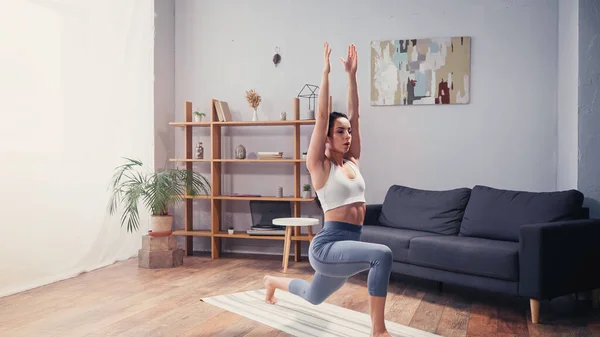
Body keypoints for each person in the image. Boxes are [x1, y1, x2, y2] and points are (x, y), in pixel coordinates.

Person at [263, 42, 394, 337]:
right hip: (328, 247)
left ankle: (272, 281)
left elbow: (355, 114)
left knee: (313, 296)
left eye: (348, 131)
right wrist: (326, 73)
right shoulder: (320, 167)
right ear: (326, 137)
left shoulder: (353, 160)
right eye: (340, 131)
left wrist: (351, 75)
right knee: (382, 255)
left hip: (349, 244)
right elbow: (321, 117)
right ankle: (379, 331)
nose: (347, 136)